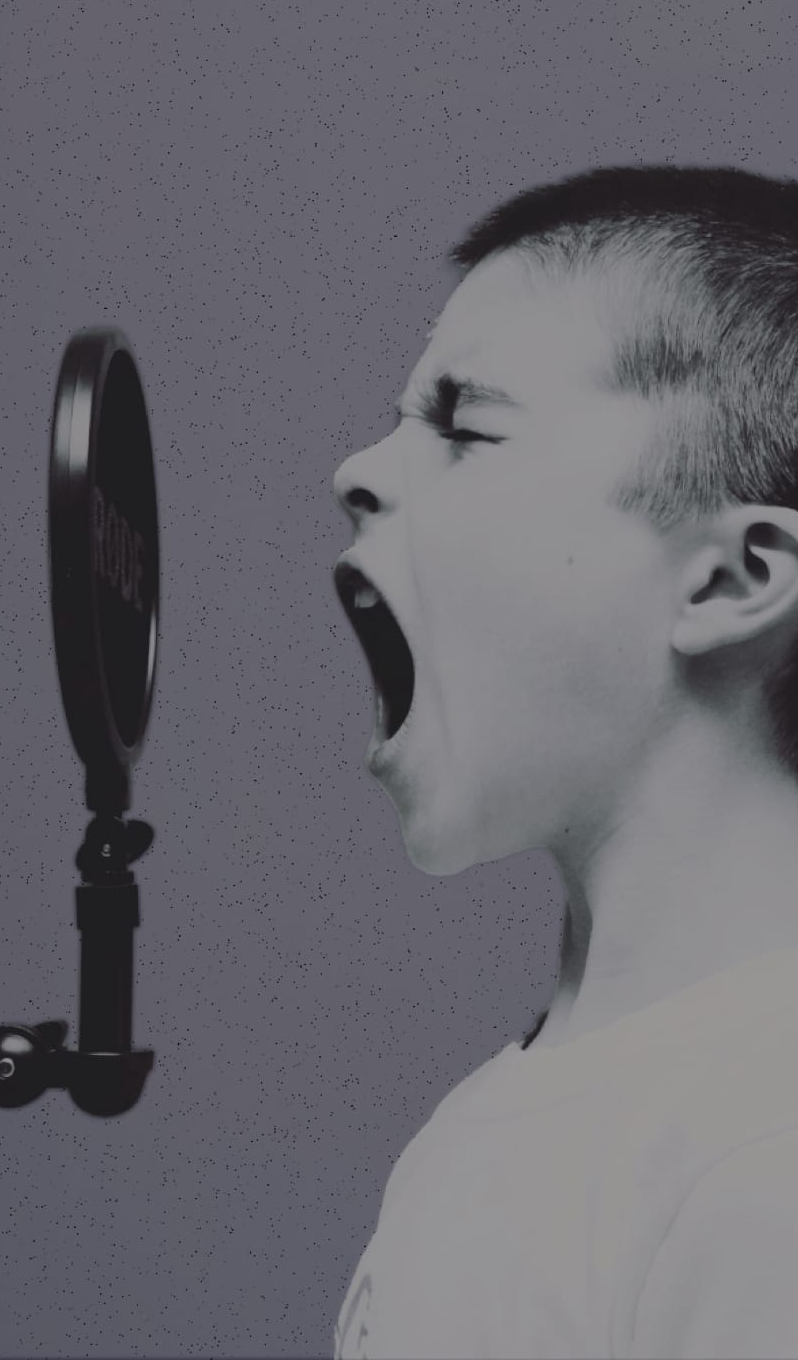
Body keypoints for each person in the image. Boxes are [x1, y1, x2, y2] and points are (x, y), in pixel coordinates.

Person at [330, 166, 798, 1359]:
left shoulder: (766, 1152)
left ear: (732, 578)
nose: (359, 473)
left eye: (464, 427)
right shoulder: (493, 1124)